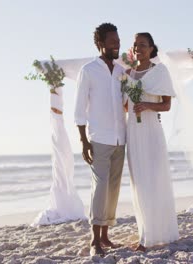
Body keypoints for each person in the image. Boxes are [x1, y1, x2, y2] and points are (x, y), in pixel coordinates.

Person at [123, 33, 179, 251]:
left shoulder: (160, 71)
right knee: (139, 182)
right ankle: (145, 232)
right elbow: (125, 106)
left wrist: (147, 105)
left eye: (143, 45)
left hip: (152, 131)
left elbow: (166, 105)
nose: (139, 48)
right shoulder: (127, 74)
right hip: (133, 132)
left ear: (152, 48)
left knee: (155, 180)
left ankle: (158, 232)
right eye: (136, 45)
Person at [74, 23, 126, 257]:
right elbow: (79, 108)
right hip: (99, 139)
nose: (117, 43)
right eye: (112, 40)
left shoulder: (120, 71)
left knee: (113, 189)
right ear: (101, 43)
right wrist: (84, 141)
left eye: (118, 40)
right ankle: (95, 239)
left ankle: (106, 235)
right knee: (100, 188)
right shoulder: (88, 70)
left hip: (120, 139)